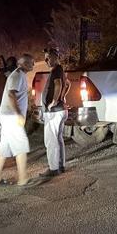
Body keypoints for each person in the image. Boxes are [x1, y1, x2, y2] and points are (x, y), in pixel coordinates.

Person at [0, 53, 34, 187]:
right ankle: (23, 178)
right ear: (25, 64)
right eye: (32, 62)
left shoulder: (18, 74)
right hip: (11, 117)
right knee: (21, 146)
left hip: (7, 116)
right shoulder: (18, 75)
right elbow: (10, 94)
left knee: (4, 148)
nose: (33, 65)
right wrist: (19, 114)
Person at [40, 48, 70, 178]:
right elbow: (68, 84)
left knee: (51, 140)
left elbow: (58, 84)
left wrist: (54, 101)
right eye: (45, 58)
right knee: (58, 139)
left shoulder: (57, 70)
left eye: (48, 57)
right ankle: (60, 165)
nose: (46, 60)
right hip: (61, 110)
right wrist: (62, 97)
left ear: (55, 57)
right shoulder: (60, 70)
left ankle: (53, 168)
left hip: (54, 111)